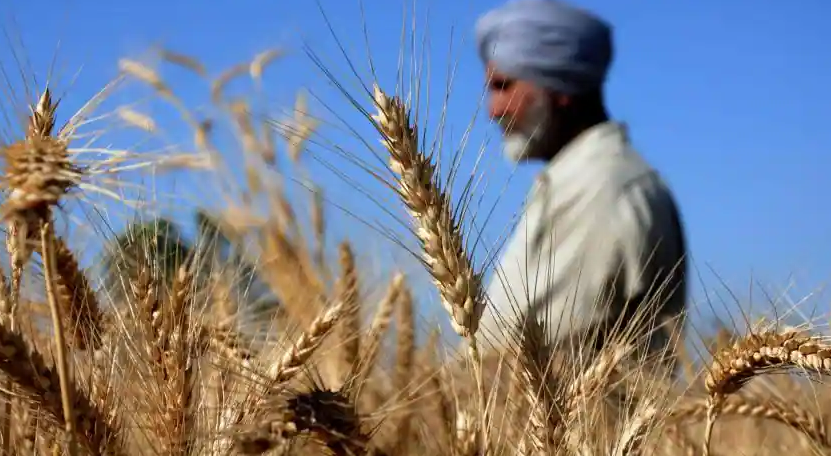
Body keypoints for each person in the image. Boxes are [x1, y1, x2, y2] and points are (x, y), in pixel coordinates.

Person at [475, 0, 687, 369]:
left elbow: (525, 353)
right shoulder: (578, 180)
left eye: (503, 85)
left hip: (574, 426)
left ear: (559, 88)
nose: (493, 109)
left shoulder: (603, 189)